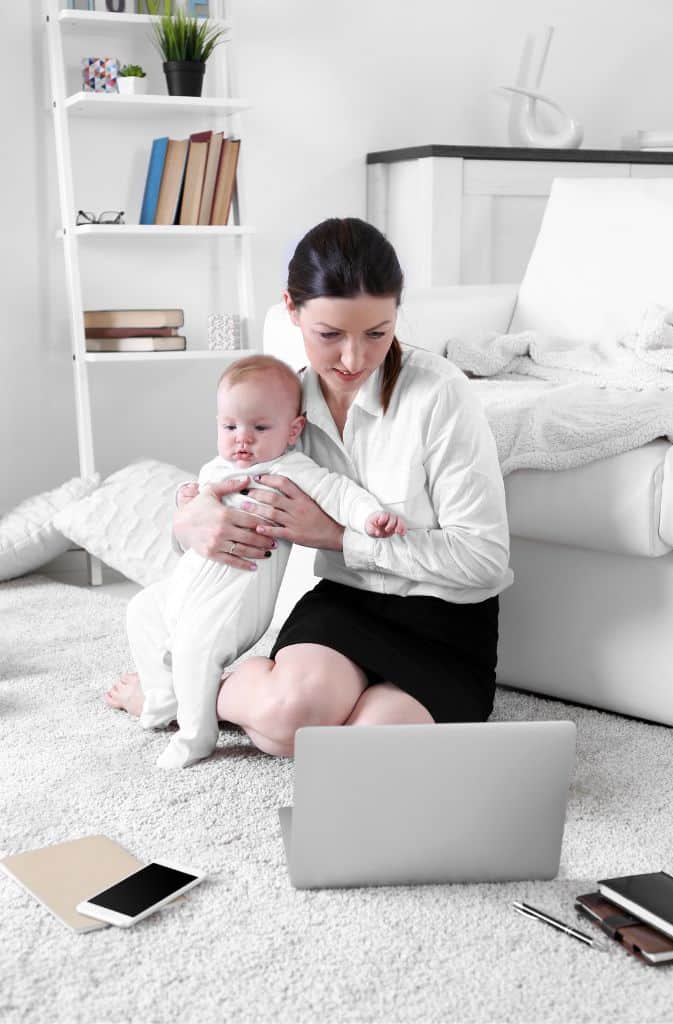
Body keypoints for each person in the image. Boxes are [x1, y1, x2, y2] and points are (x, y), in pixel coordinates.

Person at [106, 216, 512, 758]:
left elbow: (484, 558)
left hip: (445, 619)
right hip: (346, 604)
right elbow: (228, 477)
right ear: (292, 311)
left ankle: (193, 691)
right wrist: (190, 516)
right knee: (288, 718)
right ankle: (191, 692)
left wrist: (338, 537)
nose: (354, 360)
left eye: (377, 333)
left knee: (368, 748)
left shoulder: (439, 394)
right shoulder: (280, 405)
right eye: (329, 335)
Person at [113, 354, 406, 769]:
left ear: (293, 430)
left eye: (259, 428)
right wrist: (187, 502)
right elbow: (194, 515)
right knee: (142, 610)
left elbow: (339, 492)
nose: (242, 440)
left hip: (233, 598)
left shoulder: (290, 470)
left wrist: (368, 516)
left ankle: (195, 735)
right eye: (229, 427)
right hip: (188, 586)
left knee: (196, 649)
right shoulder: (217, 466)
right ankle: (162, 698)